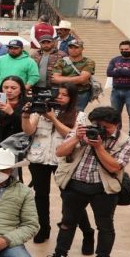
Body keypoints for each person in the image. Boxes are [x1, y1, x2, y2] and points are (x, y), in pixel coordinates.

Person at [50, 107, 130, 257]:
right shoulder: (82, 132)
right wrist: (77, 138)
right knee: (67, 222)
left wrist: (98, 147)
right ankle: (60, 253)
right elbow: (59, 152)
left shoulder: (126, 141)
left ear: (117, 124)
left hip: (104, 189)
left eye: (106, 127)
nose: (100, 130)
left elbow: (114, 167)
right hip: (74, 185)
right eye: (97, 125)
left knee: (105, 226)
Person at [21, 83, 95, 247]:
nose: (60, 97)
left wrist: (53, 118)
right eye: (57, 94)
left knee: (71, 199)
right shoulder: (39, 111)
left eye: (65, 94)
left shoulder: (79, 115)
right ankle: (44, 228)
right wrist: (26, 116)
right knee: (40, 196)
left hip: (64, 162)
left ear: (72, 98)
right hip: (39, 159)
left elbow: (72, 136)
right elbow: (28, 131)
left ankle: (87, 231)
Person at [107, 40, 130, 138]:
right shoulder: (115, 60)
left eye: (126, 49)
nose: (124, 51)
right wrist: (127, 70)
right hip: (116, 91)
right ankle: (117, 133)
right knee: (115, 114)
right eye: (122, 49)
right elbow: (109, 73)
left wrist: (118, 69)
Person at [51, 39, 95, 111]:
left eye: (76, 47)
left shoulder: (88, 62)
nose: (73, 50)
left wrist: (62, 79)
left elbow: (82, 79)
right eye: (70, 47)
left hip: (81, 93)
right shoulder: (61, 61)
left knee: (78, 114)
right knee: (61, 112)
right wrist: (77, 79)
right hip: (64, 93)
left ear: (82, 49)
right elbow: (55, 79)